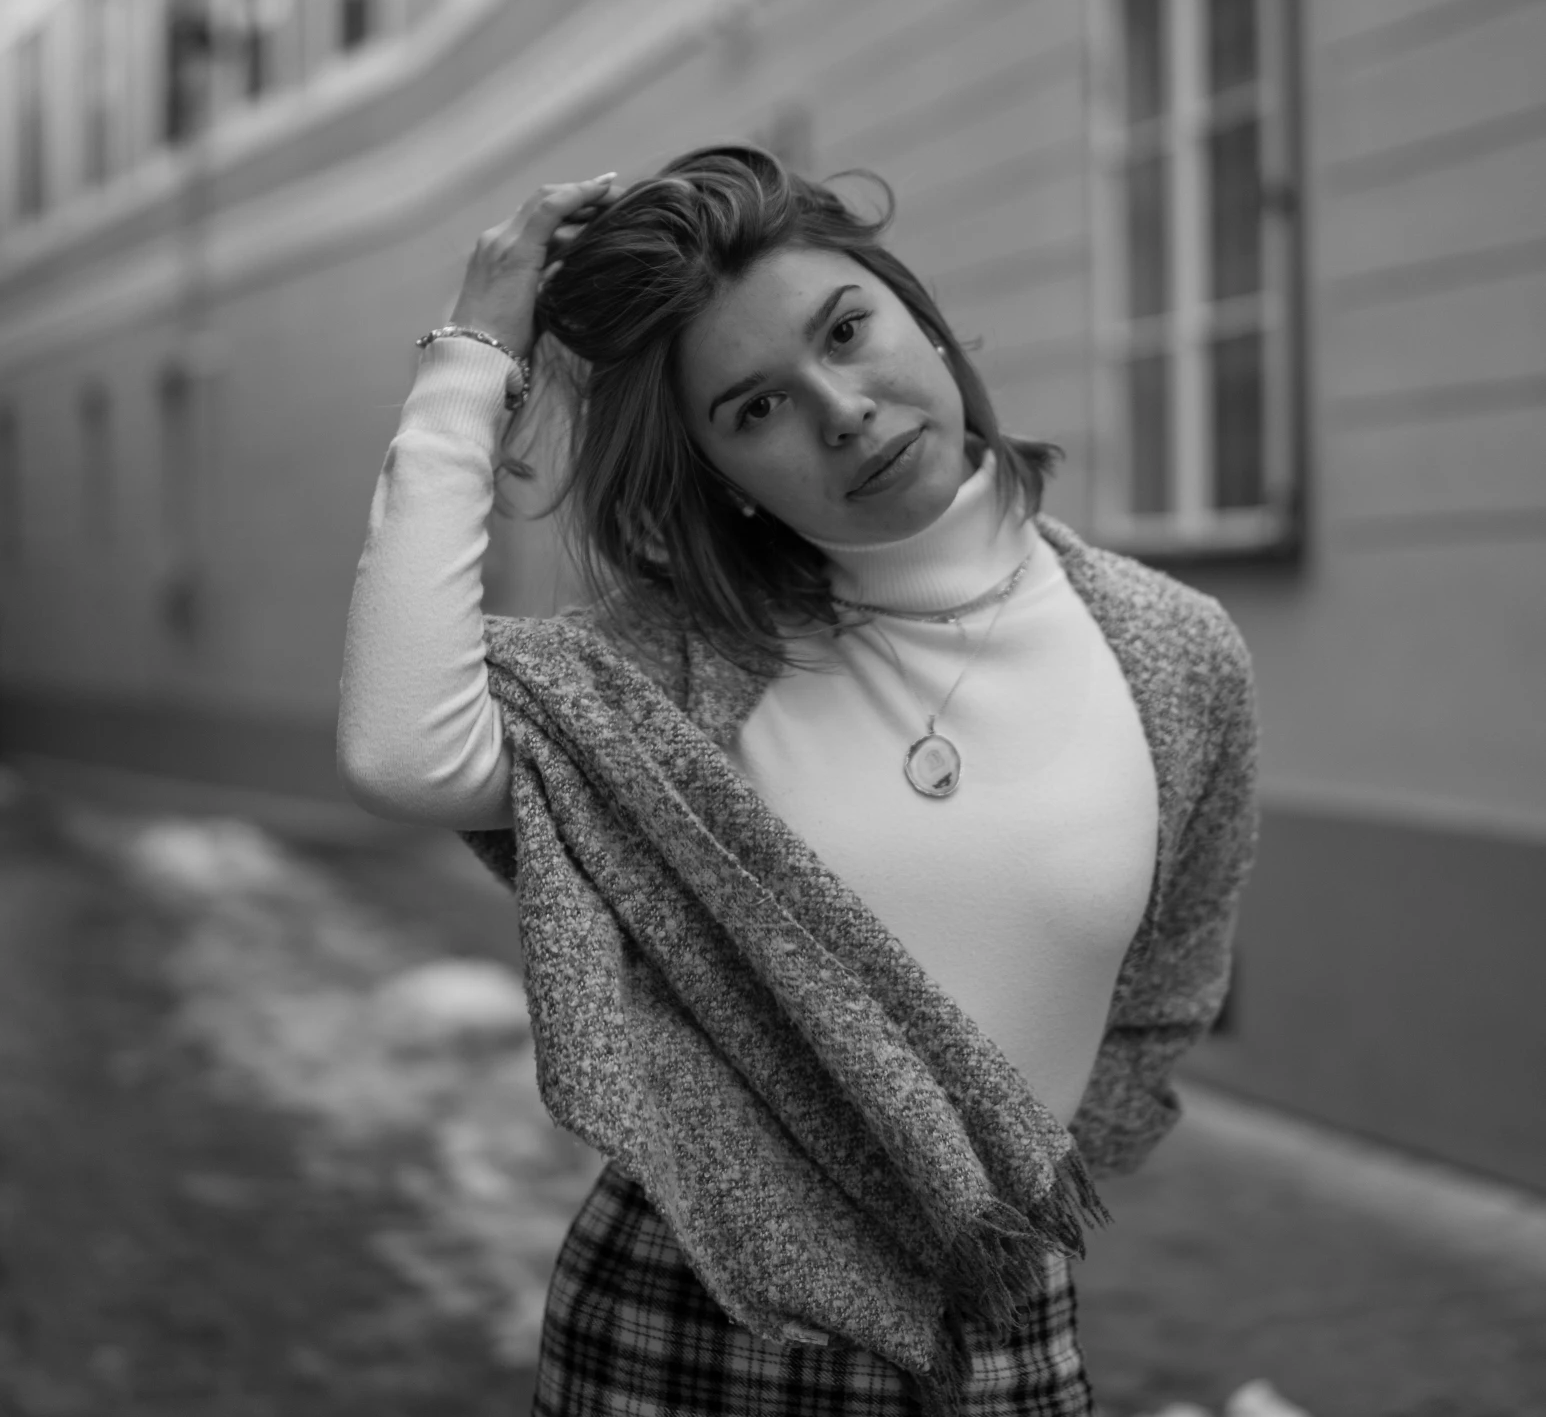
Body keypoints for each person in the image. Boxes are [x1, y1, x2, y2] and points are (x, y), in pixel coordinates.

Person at [339, 144, 1258, 1417]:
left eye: (847, 328)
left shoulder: (1172, 649)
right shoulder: (674, 665)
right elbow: (403, 745)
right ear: (722, 475)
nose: (840, 408)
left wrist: (983, 1206)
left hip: (998, 1331)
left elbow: (1165, 998)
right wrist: (468, 364)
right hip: (690, 1329)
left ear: (919, 312)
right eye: (754, 407)